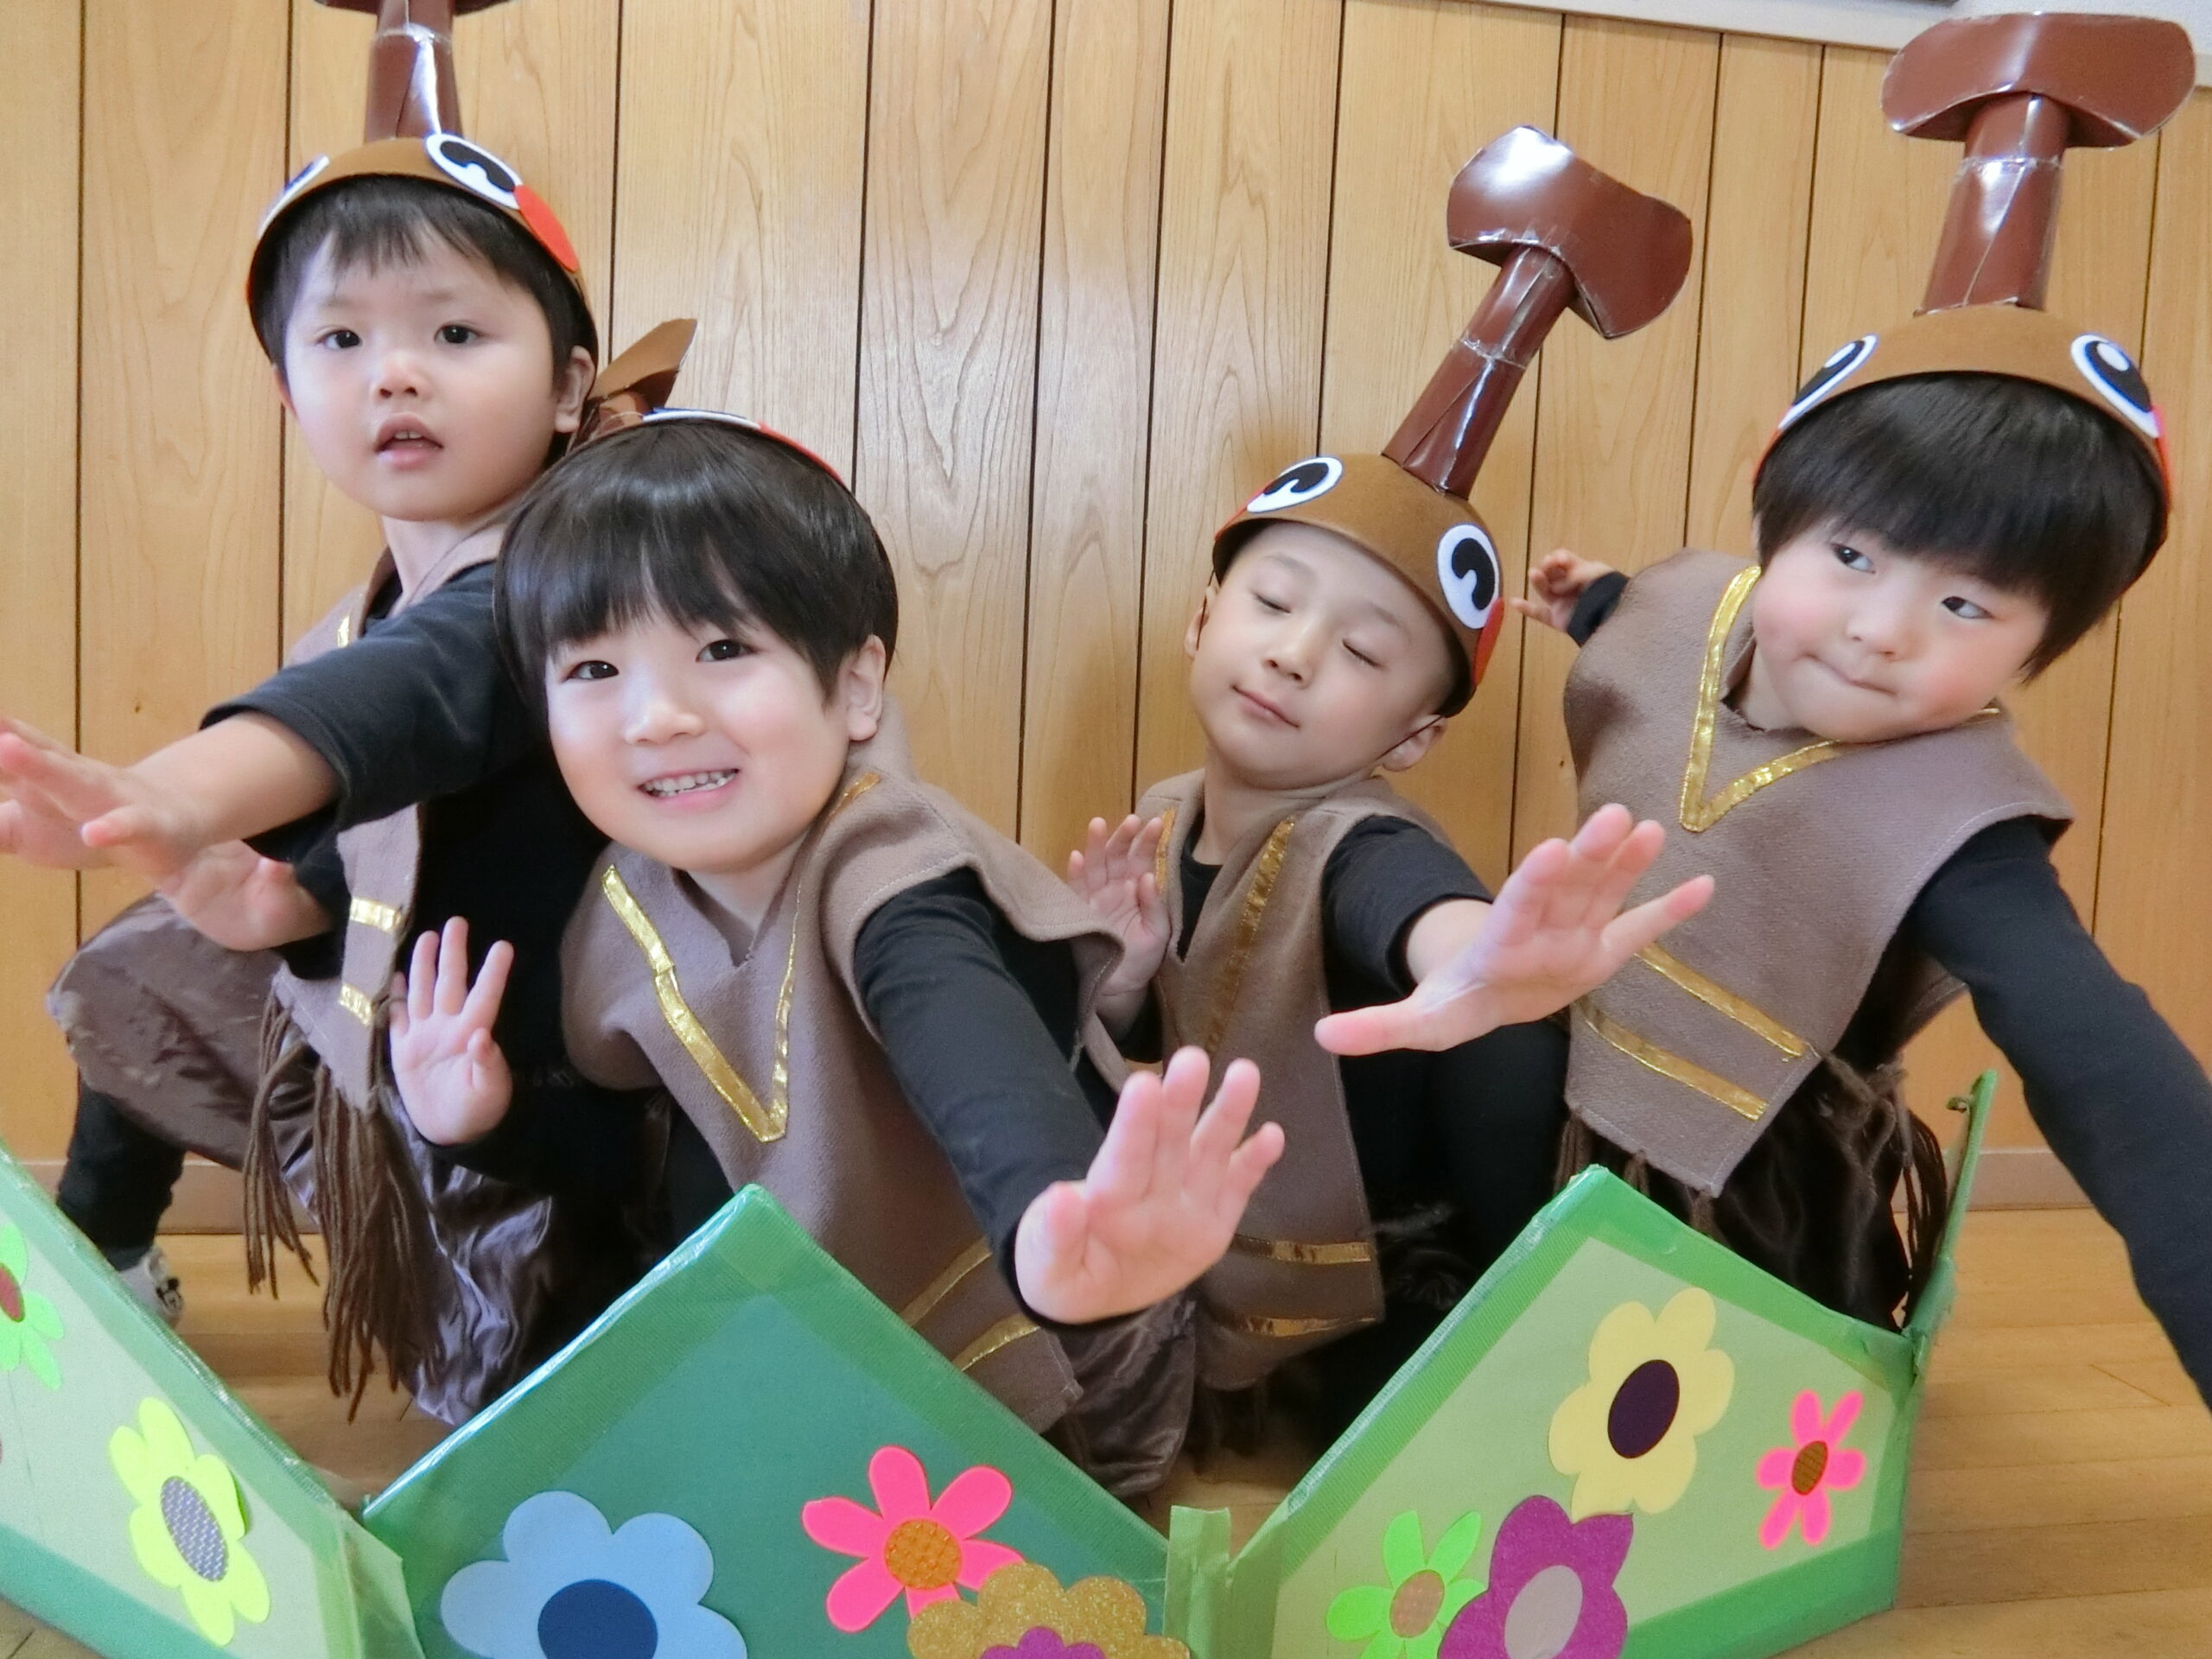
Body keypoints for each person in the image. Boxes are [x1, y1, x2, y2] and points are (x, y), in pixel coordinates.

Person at [1363, 10, 2212, 1404]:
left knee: (1661, 1416)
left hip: (1745, 1187)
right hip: (1572, 1065)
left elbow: (2103, 1062)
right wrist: (1592, 599)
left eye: (1968, 605)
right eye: (1853, 555)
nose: (1880, 632)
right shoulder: (1692, 603)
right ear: (1777, 524)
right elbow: (1660, 626)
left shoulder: (1962, 819)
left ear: (2041, 647)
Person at [386, 411, 1282, 1496]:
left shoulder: (890, 868)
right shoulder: (626, 898)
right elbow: (655, 1148)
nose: (656, 717)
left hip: (1035, 1369)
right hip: (795, 1357)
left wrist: (1049, 1219)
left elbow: (970, 1051)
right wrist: (488, 1121)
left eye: (722, 650)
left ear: (857, 686)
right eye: (594, 668)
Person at [0, 105, 679, 1420]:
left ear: (566, 386)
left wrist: (173, 793)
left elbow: (405, 696)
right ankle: (108, 1261)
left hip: (559, 1098)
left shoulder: (570, 575)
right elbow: (382, 801)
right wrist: (277, 899)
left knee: (523, 1437)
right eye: (342, 341)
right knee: (155, 958)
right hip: (422, 1007)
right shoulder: (388, 589)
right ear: (288, 392)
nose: (395, 376)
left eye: (456, 335)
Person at [1071, 130, 1710, 1432]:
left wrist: (1487, 959)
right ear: (1201, 620)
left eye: (1363, 652)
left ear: (1412, 738)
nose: (1294, 654)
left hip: (1385, 1268)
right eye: (1272, 602)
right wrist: (1122, 975)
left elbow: (1423, 917)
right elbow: (1154, 1044)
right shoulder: (1170, 810)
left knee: (1403, 1429)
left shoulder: (1358, 843)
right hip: (1219, 1224)